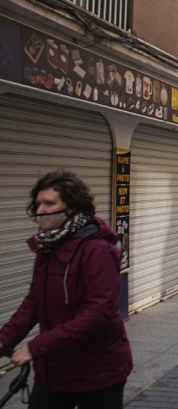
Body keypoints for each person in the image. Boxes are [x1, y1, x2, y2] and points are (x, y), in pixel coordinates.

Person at [0, 170, 133, 409]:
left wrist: (37, 346)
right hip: (55, 371)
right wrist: (4, 339)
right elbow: (34, 301)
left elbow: (99, 311)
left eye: (49, 203)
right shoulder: (48, 245)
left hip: (98, 371)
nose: (40, 210)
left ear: (71, 207)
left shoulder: (96, 249)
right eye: (38, 203)